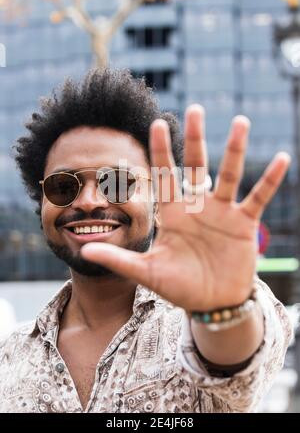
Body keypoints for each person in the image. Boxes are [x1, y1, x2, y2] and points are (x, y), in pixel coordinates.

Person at [0, 68, 292, 413]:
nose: (90, 201)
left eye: (118, 182)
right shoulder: (11, 355)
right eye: (64, 186)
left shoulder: (192, 323)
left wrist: (218, 310)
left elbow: (232, 356)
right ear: (42, 205)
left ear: (158, 205)